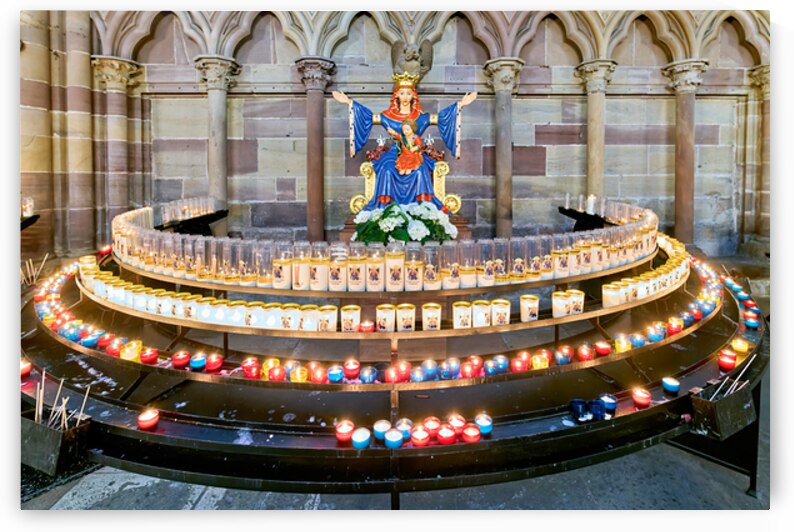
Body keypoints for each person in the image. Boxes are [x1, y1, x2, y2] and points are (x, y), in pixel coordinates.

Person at [333, 72, 477, 211]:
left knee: (421, 171)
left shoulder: (422, 118)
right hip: (395, 153)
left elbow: (442, 118)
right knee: (387, 170)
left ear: (413, 96)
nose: (405, 97)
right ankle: (384, 209)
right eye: (402, 93)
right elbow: (367, 117)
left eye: (408, 93)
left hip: (415, 153)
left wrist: (460, 105)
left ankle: (424, 209)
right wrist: (348, 102)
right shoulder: (386, 116)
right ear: (396, 96)